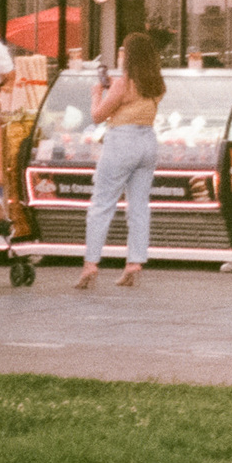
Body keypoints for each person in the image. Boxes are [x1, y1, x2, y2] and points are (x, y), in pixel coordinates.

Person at [77, 33, 164, 290]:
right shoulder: (157, 83)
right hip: (148, 142)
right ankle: (135, 262)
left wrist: (96, 93)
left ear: (129, 55)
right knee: (138, 206)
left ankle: (91, 263)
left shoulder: (123, 84)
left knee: (102, 203)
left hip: (122, 142)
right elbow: (134, 102)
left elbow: (97, 116)